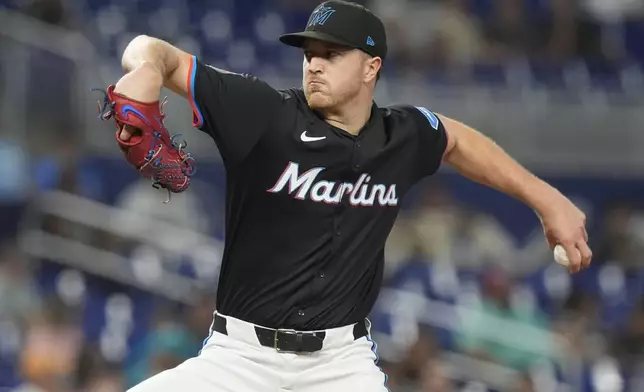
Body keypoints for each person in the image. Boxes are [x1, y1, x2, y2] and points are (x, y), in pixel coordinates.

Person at [113, 1, 592, 391]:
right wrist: (146, 71)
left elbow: (458, 141)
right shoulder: (263, 112)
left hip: (340, 365)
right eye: (309, 54)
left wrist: (548, 200)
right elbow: (147, 48)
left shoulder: (401, 135)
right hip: (239, 358)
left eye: (331, 53)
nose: (314, 64)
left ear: (371, 67)